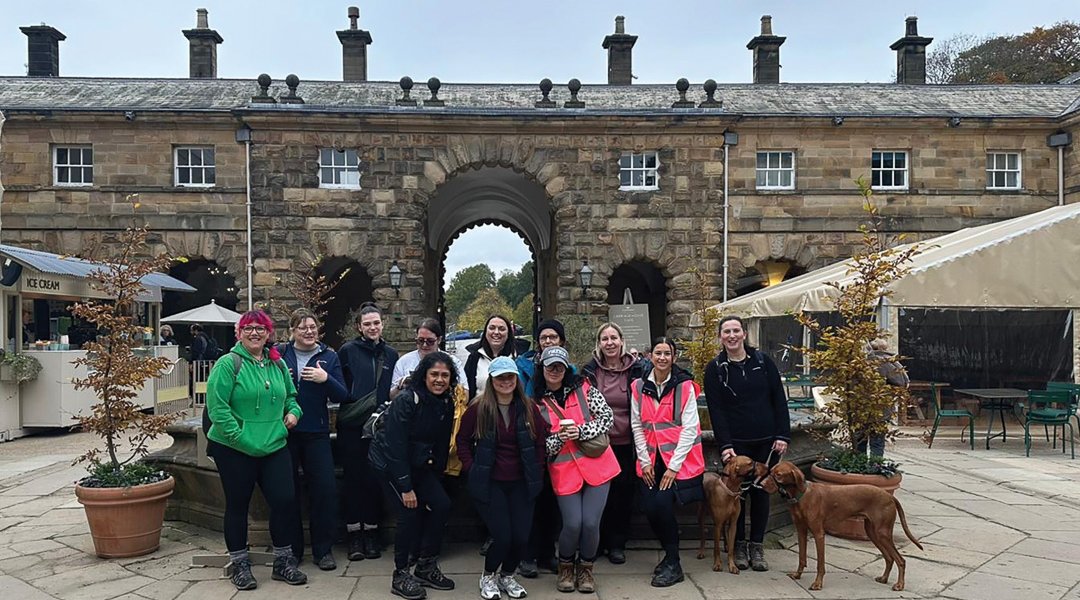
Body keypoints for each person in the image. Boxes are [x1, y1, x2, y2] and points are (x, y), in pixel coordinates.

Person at [204, 310, 307, 590]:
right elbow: (217, 409)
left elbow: (292, 398)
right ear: (239, 333)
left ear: (268, 333)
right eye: (248, 328)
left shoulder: (278, 365)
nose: (254, 333)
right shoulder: (228, 364)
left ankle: (283, 561)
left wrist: (293, 415)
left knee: (285, 501)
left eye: (260, 328)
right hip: (235, 448)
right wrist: (239, 438)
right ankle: (240, 564)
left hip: (273, 444)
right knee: (238, 506)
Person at [369, 352, 459, 600]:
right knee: (409, 513)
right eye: (434, 375)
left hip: (419, 463)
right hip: (389, 463)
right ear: (424, 375)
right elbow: (395, 446)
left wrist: (436, 478)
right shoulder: (407, 400)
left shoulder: (445, 401)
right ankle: (400, 574)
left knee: (442, 504)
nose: (439, 380)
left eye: (444, 375)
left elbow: (441, 443)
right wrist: (406, 487)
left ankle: (426, 565)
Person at [704, 315, 790, 573]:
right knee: (735, 495)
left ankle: (757, 545)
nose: (731, 336)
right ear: (720, 337)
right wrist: (724, 444)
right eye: (726, 332)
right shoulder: (716, 368)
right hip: (737, 445)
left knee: (762, 493)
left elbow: (779, 400)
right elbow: (716, 409)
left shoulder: (763, 363)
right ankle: (739, 546)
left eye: (735, 331)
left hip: (766, 442)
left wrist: (782, 434)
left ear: (743, 334)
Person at [457, 357, 547, 600]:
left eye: (510, 376)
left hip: (522, 482)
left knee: (521, 536)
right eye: (500, 377)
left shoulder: (528, 407)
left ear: (516, 379)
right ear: (492, 380)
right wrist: (471, 468)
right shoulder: (479, 408)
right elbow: (462, 441)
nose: (506, 381)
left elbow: (540, 442)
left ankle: (507, 575)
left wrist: (537, 470)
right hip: (490, 482)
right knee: (503, 536)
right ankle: (488, 576)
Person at [537, 345, 619, 594]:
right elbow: (542, 446)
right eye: (550, 366)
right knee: (573, 523)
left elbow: (607, 418)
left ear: (566, 368)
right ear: (542, 369)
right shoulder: (536, 402)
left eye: (559, 366)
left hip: (597, 465)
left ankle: (586, 568)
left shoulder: (584, 389)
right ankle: (565, 567)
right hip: (564, 471)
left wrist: (581, 431)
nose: (554, 370)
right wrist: (560, 437)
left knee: (591, 523)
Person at [630, 337, 705, 587]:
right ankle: (670, 558)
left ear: (674, 357)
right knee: (650, 507)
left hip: (679, 461)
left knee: (662, 505)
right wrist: (644, 461)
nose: (662, 358)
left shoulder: (685, 387)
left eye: (667, 354)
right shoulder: (638, 386)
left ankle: (673, 561)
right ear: (650, 355)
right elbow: (637, 425)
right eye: (658, 353)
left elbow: (690, 428)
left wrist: (673, 467)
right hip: (651, 459)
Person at [278, 309, 348, 570]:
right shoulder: (279, 355)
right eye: (302, 328)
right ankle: (293, 550)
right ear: (292, 331)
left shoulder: (329, 356)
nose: (308, 331)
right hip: (285, 433)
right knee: (288, 493)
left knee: (325, 491)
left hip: (316, 433)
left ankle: (323, 550)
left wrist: (325, 378)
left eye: (312, 327)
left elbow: (343, 394)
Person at [580, 322, 649, 564]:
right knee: (598, 496)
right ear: (598, 344)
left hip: (626, 442)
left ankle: (617, 543)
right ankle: (596, 543)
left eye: (613, 338)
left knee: (623, 495)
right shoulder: (589, 371)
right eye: (604, 339)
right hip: (598, 443)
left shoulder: (637, 369)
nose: (609, 343)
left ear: (621, 341)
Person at [338, 302, 399, 561]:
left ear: (382, 324)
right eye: (367, 324)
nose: (372, 327)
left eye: (376, 323)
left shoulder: (391, 354)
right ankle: (354, 535)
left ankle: (372, 533)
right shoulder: (347, 351)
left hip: (380, 427)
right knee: (353, 480)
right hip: (352, 425)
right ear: (359, 327)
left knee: (375, 480)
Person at [514, 319, 567, 578]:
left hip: (560, 447)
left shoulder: (570, 369)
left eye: (553, 337)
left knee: (553, 502)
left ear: (561, 341)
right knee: (531, 501)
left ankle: (548, 553)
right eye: (544, 337)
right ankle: (528, 554)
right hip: (531, 441)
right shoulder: (522, 366)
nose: (548, 341)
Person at [859, 338, 910, 457]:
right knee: (877, 442)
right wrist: (895, 361)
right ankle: (875, 467)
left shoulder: (861, 362)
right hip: (880, 408)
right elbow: (903, 382)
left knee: (859, 440)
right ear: (885, 349)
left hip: (860, 407)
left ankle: (858, 467)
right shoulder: (886, 363)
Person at [392, 319, 467, 397]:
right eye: (420, 341)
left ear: (439, 340)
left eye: (430, 341)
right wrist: (401, 385)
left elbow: (465, 395)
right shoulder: (404, 361)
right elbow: (392, 396)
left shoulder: (453, 361)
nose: (424, 345)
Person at [464, 315, 528, 400]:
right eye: (492, 328)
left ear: (509, 333)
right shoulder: (474, 358)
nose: (496, 332)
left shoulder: (521, 358)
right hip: (481, 410)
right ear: (485, 332)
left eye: (502, 329)